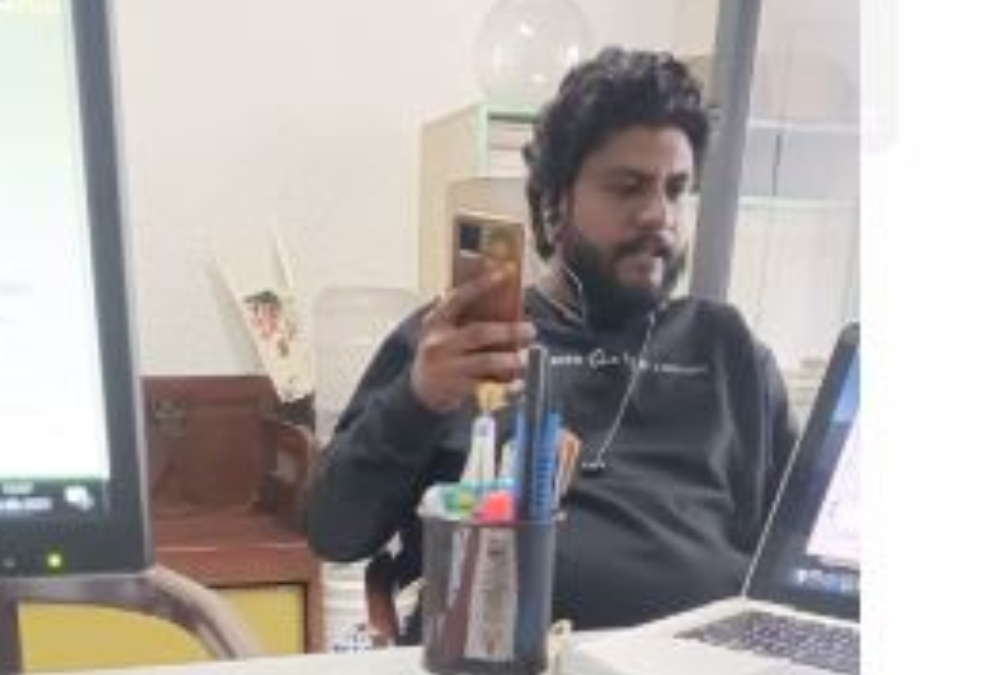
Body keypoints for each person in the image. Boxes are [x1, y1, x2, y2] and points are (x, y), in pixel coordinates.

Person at [305, 47, 798, 637]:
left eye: (676, 189)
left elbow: (804, 558)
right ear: (554, 203)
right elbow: (334, 532)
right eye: (627, 187)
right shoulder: (459, 341)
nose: (659, 215)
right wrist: (417, 400)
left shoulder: (729, 351)